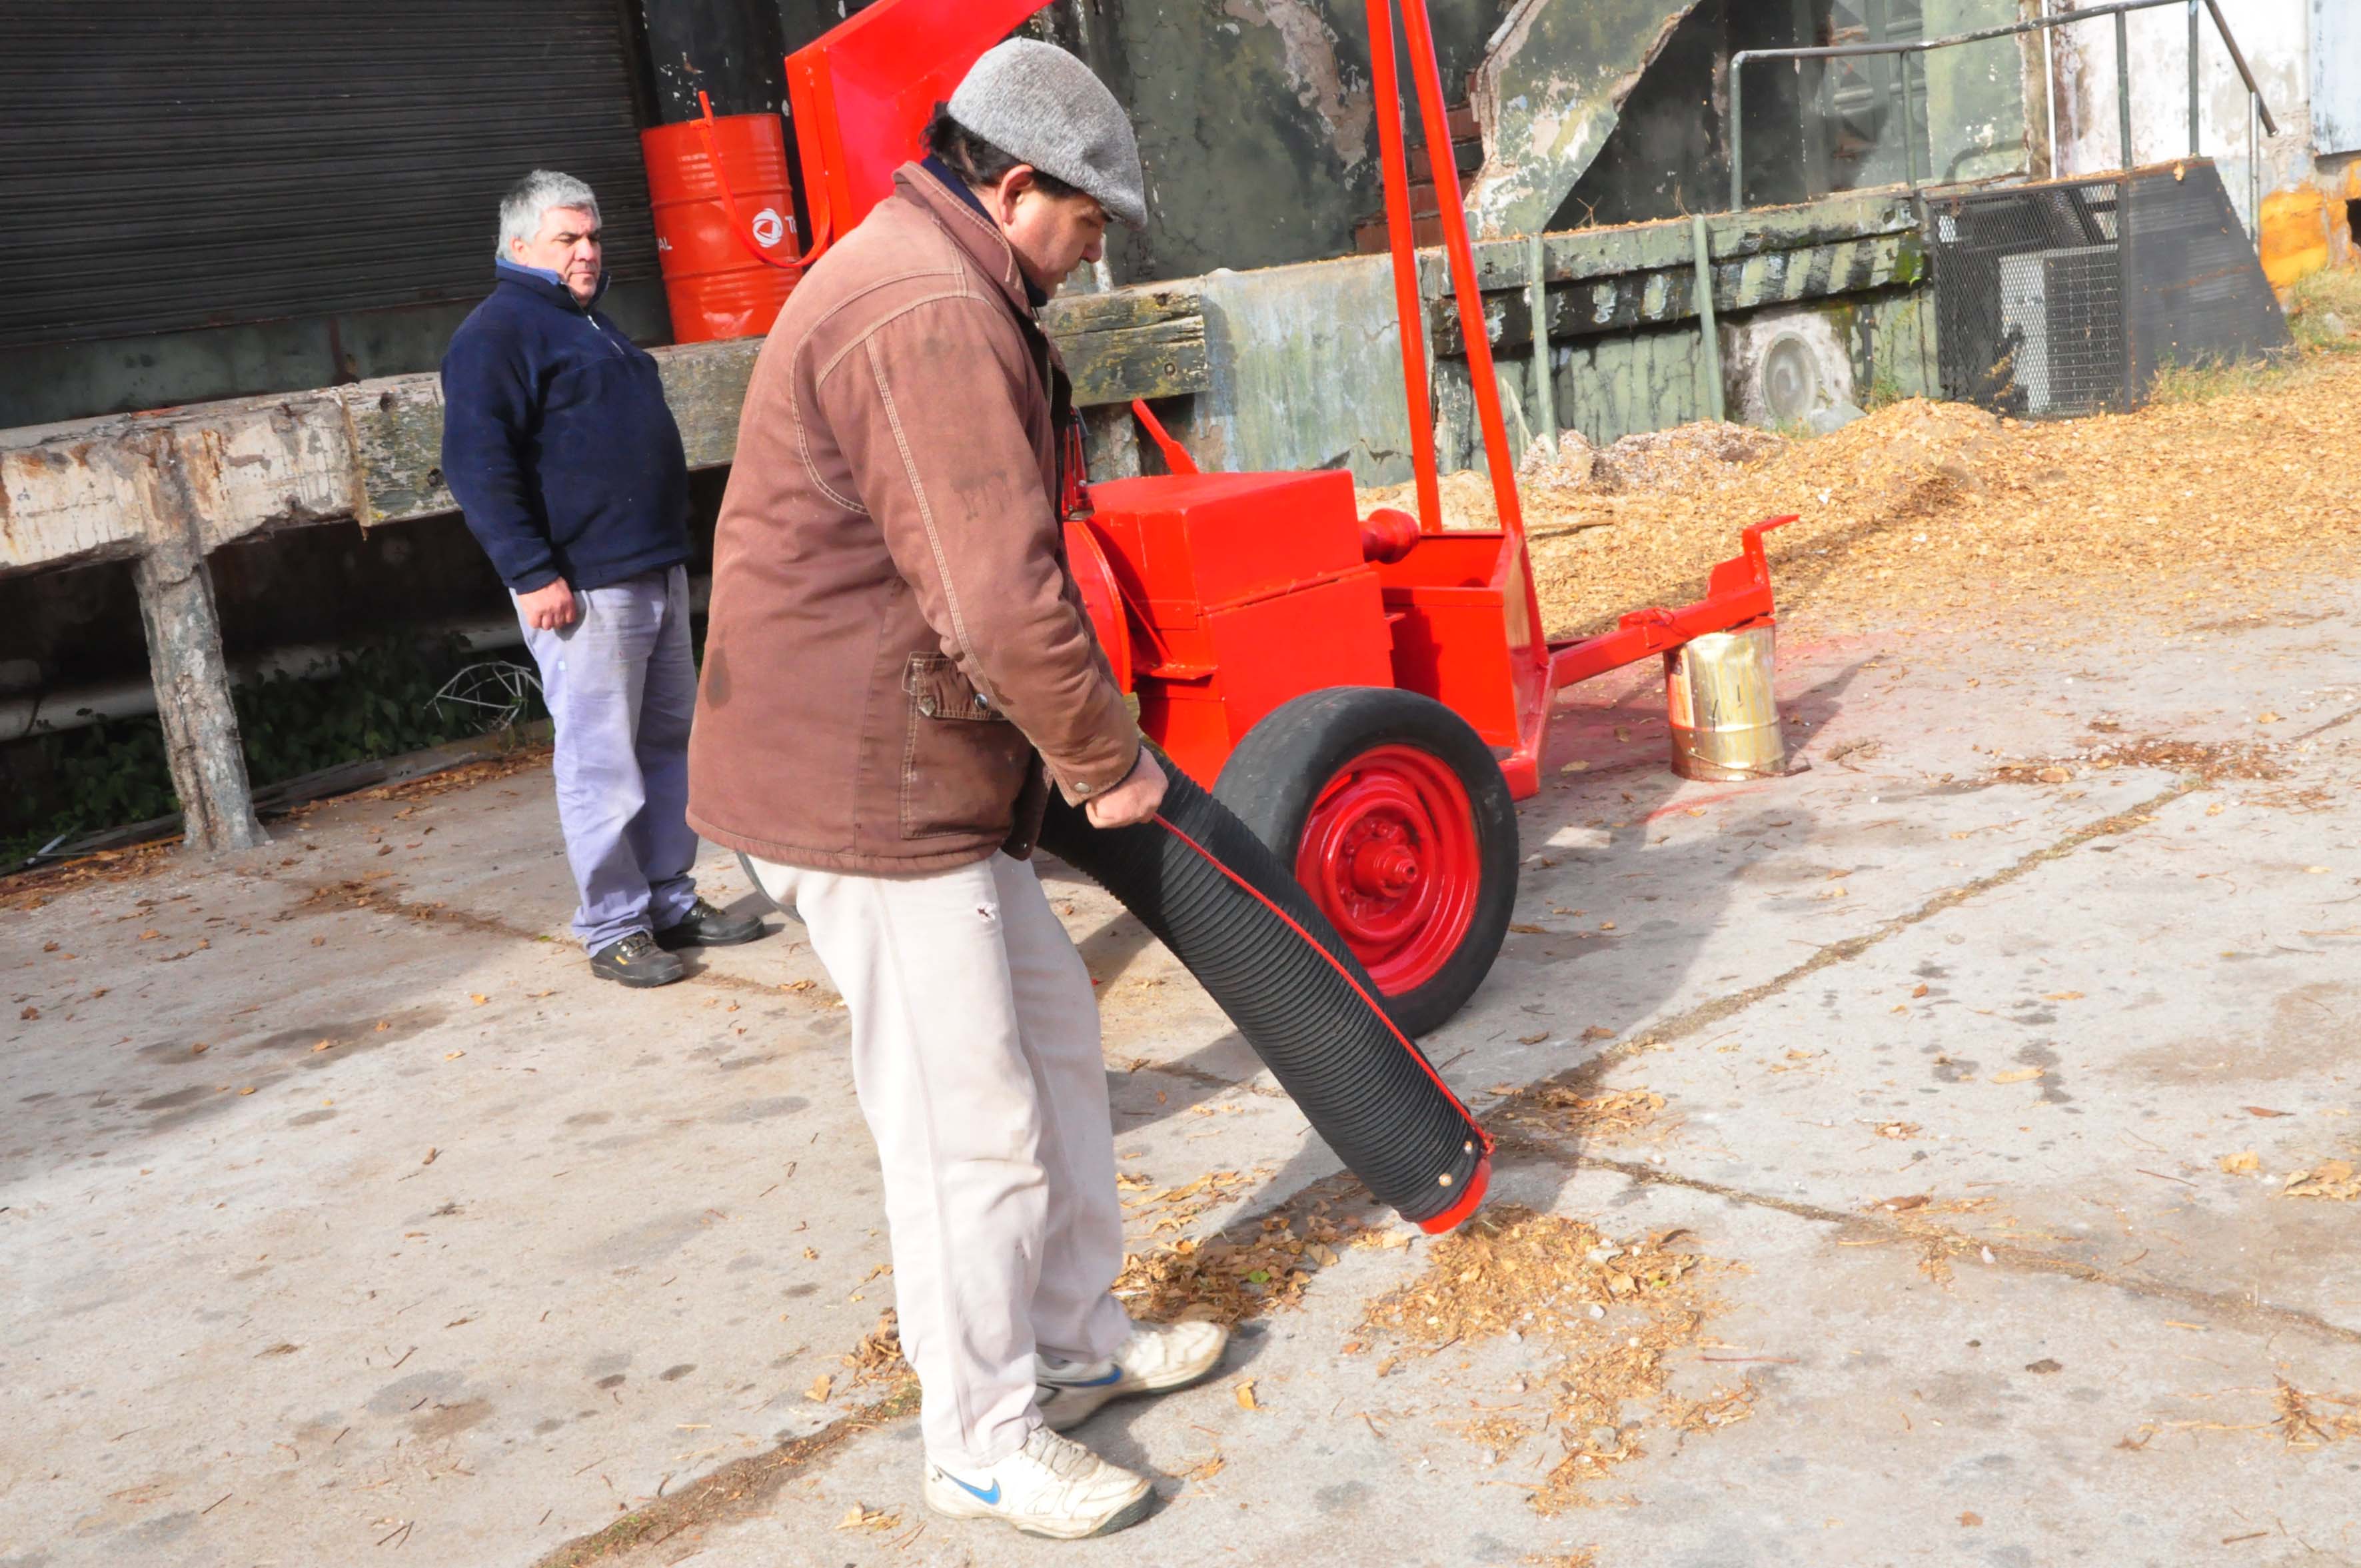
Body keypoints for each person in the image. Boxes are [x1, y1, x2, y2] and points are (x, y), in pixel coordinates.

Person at [688, 42, 1223, 1541]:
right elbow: (997, 599)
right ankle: (981, 1438)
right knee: (965, 1122)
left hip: (924, 764)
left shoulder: (942, 271)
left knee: (1054, 1036)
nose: (1093, 254)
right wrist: (1107, 763)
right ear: (1013, 186)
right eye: (1089, 223)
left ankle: (1068, 1335)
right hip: (861, 785)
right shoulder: (926, 311)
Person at [442, 169, 764, 988]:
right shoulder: (499, 333)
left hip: (648, 571)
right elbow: (478, 464)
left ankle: (669, 899)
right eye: (568, 240)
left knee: (665, 745)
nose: (587, 252)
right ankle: (614, 926)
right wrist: (530, 571)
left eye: (592, 237)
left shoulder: (589, 325)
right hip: (580, 588)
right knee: (599, 762)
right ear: (518, 247)